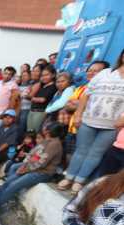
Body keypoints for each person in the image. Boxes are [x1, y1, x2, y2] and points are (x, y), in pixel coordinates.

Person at [58, 49, 124, 194]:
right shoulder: (105, 73)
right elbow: (86, 95)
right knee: (80, 151)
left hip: (111, 126)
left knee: (95, 154)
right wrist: (78, 115)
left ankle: (79, 181)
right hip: (89, 120)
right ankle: (69, 178)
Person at [0, 123, 63, 209]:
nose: (44, 130)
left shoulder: (55, 144)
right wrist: (24, 165)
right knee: (9, 181)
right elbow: (32, 154)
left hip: (42, 173)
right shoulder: (47, 140)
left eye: (46, 129)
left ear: (49, 131)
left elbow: (41, 163)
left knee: (14, 185)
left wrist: (26, 168)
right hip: (31, 168)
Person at [63, 61, 110, 164]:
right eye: (89, 70)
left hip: (88, 130)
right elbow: (67, 105)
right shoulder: (80, 88)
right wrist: (82, 104)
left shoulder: (106, 91)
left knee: (82, 157)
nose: (91, 73)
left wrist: (78, 104)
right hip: (72, 128)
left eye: (96, 71)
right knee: (69, 155)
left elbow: (96, 108)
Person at [27, 65, 57, 133]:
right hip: (32, 111)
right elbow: (31, 94)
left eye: (47, 75)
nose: (44, 77)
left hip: (40, 112)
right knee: (29, 133)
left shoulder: (53, 86)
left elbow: (42, 100)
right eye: (42, 75)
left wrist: (29, 97)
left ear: (53, 75)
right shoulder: (41, 86)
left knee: (36, 133)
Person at [0, 66, 18, 134]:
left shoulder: (14, 85)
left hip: (2, 111)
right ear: (3, 73)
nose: (7, 75)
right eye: (6, 73)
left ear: (12, 76)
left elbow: (13, 101)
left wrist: (5, 113)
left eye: (10, 74)